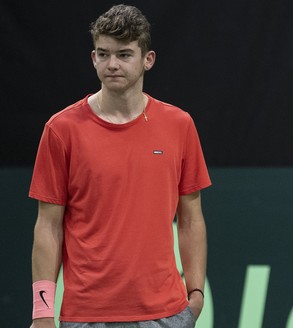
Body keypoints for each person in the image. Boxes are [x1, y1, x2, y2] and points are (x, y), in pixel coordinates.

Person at [29, 4, 211, 328]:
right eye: (103, 54)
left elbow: (191, 218)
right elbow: (48, 226)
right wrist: (42, 312)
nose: (112, 64)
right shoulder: (61, 130)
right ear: (93, 58)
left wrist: (195, 295)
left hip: (166, 315)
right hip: (86, 315)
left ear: (147, 59)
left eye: (124, 55)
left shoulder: (179, 125)